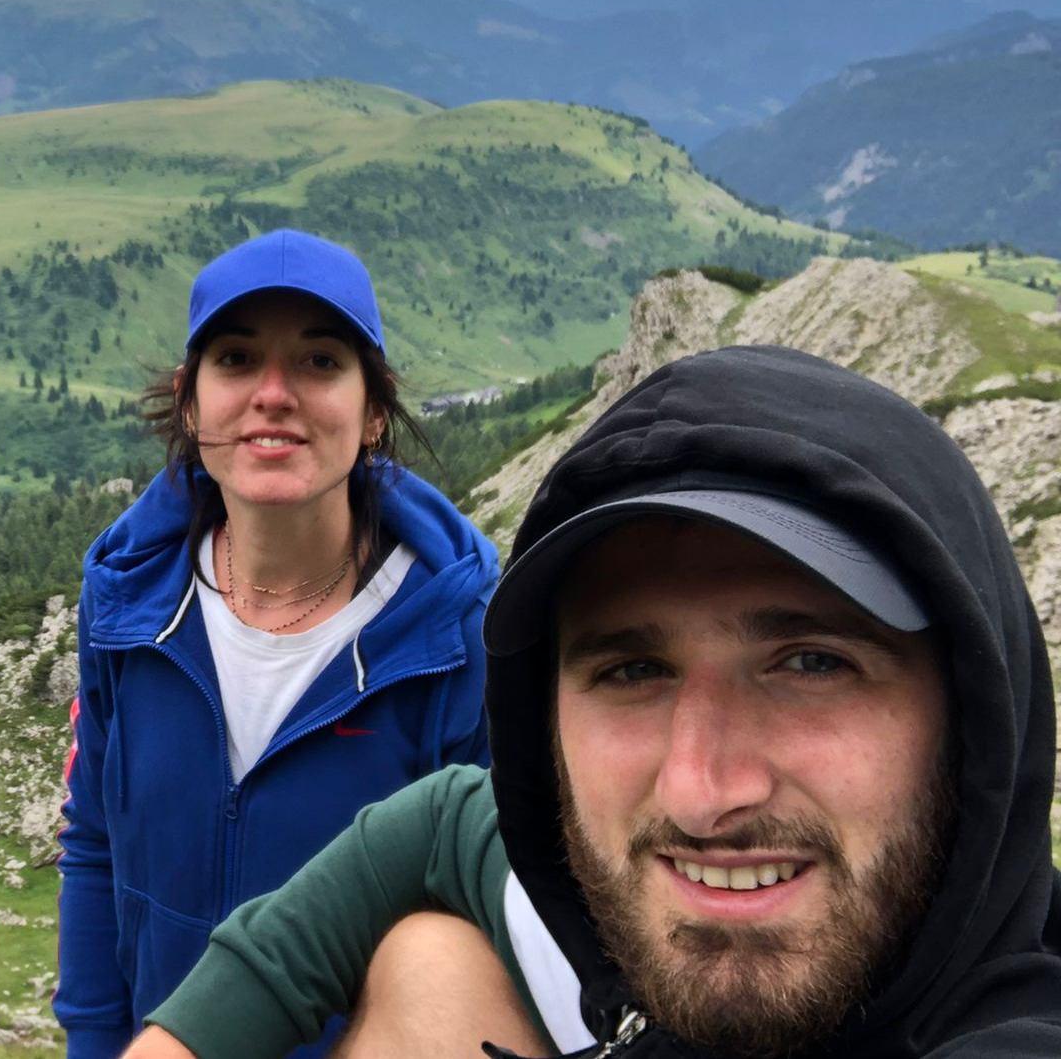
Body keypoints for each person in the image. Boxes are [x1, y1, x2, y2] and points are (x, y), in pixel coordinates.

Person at [132, 345, 1061, 1058]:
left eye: (812, 663)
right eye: (632, 672)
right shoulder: (581, 871)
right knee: (430, 960)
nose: (700, 791)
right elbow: (448, 819)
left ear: (974, 716)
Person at [53, 229, 502, 1058]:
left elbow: (482, 926)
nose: (273, 394)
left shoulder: (455, 635)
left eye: (319, 362)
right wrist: (92, 1041)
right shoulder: (127, 603)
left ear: (374, 411)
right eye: (236, 359)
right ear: (190, 404)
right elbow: (94, 842)